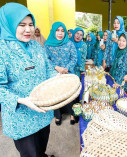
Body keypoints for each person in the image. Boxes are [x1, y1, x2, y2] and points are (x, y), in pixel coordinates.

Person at [0, 3, 57, 157]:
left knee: (41, 147)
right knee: (29, 154)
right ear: (9, 24)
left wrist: (58, 79)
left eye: (31, 24)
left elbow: (48, 69)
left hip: (42, 111)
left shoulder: (36, 46)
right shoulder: (2, 50)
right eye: (22, 25)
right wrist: (20, 100)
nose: (28, 29)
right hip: (21, 117)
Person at [44, 22, 78, 125]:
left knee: (71, 95)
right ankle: (58, 116)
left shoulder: (69, 43)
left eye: (62, 31)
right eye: (57, 30)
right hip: (54, 75)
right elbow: (46, 60)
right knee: (56, 96)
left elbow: (74, 58)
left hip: (68, 74)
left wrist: (66, 69)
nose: (60, 33)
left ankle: (73, 114)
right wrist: (57, 68)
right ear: (53, 31)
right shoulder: (47, 45)